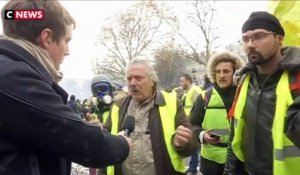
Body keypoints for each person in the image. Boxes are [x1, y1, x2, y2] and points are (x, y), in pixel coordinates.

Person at [0, 1, 130, 175]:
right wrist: (122, 143)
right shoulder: (13, 77)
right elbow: (84, 143)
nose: (67, 51)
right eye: (66, 41)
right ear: (47, 38)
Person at [224, 11, 300, 175]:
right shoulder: (244, 82)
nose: (250, 44)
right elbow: (234, 136)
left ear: (279, 39)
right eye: (246, 39)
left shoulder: (297, 78)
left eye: (259, 36)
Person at [104, 57, 196, 175]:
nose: (132, 83)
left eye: (138, 78)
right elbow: (105, 147)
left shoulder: (171, 102)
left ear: (152, 81)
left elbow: (189, 147)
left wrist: (184, 143)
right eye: (129, 78)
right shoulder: (118, 107)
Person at [189, 51, 244, 175]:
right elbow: (192, 124)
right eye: (218, 72)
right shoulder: (204, 97)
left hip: (238, 162)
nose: (221, 75)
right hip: (210, 163)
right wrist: (202, 135)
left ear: (235, 73)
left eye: (226, 71)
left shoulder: (244, 95)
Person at [180, 74, 203, 175]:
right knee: (193, 147)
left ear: (188, 81)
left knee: (199, 147)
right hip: (190, 123)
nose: (180, 84)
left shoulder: (194, 91)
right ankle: (192, 168)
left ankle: (199, 169)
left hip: (196, 123)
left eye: (182, 81)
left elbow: (200, 107)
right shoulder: (187, 93)